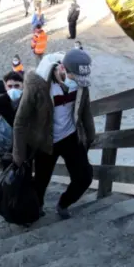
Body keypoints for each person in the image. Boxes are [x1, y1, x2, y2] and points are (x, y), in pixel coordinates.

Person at [13, 50, 95, 219]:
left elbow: (85, 109)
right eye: (75, 79)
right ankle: (37, 208)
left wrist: (90, 135)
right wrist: (19, 155)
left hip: (71, 136)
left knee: (85, 176)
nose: (79, 84)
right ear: (63, 69)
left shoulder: (81, 83)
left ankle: (63, 203)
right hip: (45, 141)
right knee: (41, 182)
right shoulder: (38, 85)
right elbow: (20, 121)